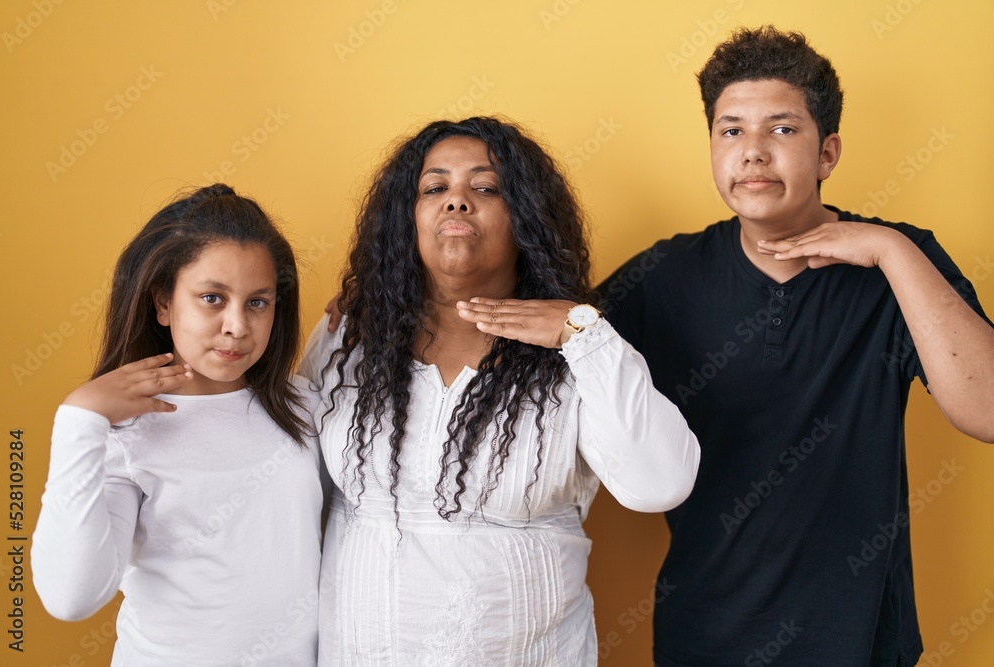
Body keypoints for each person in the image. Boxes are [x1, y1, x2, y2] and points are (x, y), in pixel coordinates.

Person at [598, 26, 994, 666]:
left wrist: (889, 250)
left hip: (863, 643)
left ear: (827, 153)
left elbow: (989, 411)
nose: (753, 152)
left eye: (782, 129)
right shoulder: (664, 277)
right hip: (705, 638)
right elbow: (559, 383)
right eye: (731, 131)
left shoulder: (902, 262)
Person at [301, 116, 700, 665]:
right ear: (405, 219)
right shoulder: (349, 338)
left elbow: (659, 484)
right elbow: (288, 491)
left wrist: (583, 335)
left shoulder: (578, 353)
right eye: (434, 188)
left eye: (486, 188)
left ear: (527, 221)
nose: (457, 201)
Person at [32, 184, 325, 666]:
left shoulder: (305, 408)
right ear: (163, 303)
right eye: (212, 298)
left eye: (258, 302)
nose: (237, 326)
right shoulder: (124, 432)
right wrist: (78, 421)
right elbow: (71, 598)